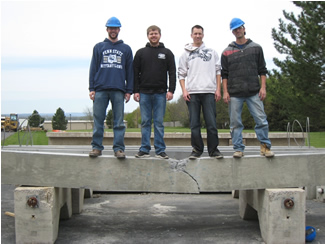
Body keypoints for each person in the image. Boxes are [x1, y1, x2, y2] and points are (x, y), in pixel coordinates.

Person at [221, 18, 275, 158]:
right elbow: (224, 75)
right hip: (234, 93)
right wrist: (225, 91)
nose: (238, 30)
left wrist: (263, 88)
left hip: (253, 92)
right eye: (235, 29)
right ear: (232, 32)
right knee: (235, 123)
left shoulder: (256, 48)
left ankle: (265, 147)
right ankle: (238, 148)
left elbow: (262, 70)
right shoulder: (226, 52)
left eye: (240, 28)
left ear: (244, 28)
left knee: (261, 120)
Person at [88, 16, 134, 159]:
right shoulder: (99, 47)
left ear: (119, 29)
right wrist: (91, 88)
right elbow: (93, 68)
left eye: (115, 28)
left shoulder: (126, 49)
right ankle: (96, 147)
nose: (113, 30)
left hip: (119, 90)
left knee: (119, 122)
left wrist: (129, 90)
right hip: (100, 89)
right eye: (111, 28)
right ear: (107, 29)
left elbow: (130, 71)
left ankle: (119, 149)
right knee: (98, 120)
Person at [178, 25, 223, 159]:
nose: (198, 36)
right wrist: (184, 90)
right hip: (192, 93)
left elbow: (218, 71)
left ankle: (214, 150)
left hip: (209, 91)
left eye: (200, 34)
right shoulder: (185, 53)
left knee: (211, 123)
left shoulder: (212, 52)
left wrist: (218, 89)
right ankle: (197, 150)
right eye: (195, 33)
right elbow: (181, 74)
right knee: (194, 124)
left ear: (203, 35)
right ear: (191, 35)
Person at [133, 25, 176, 159]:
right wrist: (135, 91)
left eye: (155, 33)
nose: (153, 36)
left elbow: (172, 72)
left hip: (161, 93)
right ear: (148, 36)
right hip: (144, 93)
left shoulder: (167, 53)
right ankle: (144, 149)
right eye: (151, 34)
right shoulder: (140, 53)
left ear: (160, 35)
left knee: (158, 122)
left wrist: (171, 90)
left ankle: (160, 150)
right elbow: (134, 73)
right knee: (145, 122)